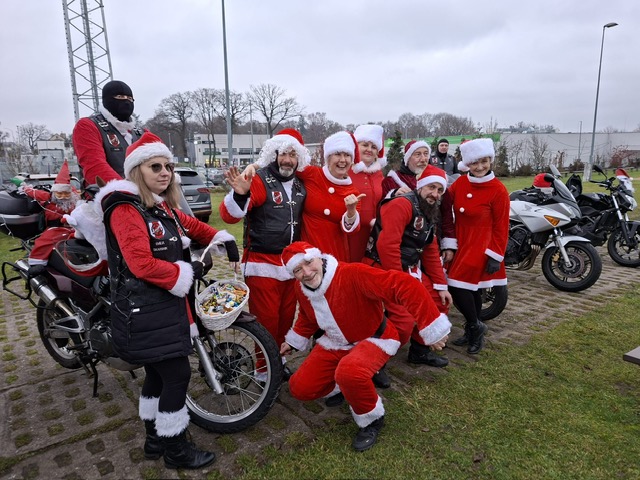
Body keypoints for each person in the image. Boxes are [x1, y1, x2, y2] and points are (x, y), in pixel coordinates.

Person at [96, 132, 239, 470]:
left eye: (168, 167)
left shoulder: (159, 207)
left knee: (158, 376)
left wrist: (223, 238)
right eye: (155, 166)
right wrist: (189, 270)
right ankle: (176, 449)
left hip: (158, 307)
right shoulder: (125, 208)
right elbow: (140, 264)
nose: (165, 173)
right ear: (137, 171)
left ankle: (154, 441)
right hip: (144, 310)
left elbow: (193, 227)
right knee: (176, 375)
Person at [279, 241, 450, 452]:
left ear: (319, 257)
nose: (306, 272)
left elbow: (404, 284)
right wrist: (294, 341)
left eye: (308, 262)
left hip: (374, 338)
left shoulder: (352, 274)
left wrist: (431, 325)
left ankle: (371, 419)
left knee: (350, 372)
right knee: (299, 388)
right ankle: (345, 387)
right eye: (297, 270)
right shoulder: (301, 288)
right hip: (335, 342)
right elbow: (307, 317)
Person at [219, 128, 309, 379]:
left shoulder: (300, 183)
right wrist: (240, 194)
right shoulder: (259, 179)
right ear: (274, 154)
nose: (287, 160)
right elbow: (229, 216)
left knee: (285, 319)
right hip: (262, 263)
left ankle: (278, 361)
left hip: (290, 265)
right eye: (283, 154)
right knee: (266, 321)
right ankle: (263, 370)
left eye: (293, 154)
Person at [364, 165, 452, 370]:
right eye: (431, 187)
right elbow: (387, 247)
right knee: (403, 321)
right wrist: (401, 284)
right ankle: (375, 362)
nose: (435, 194)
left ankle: (420, 351)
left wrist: (441, 285)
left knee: (439, 302)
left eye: (440, 190)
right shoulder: (402, 205)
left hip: (406, 269)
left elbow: (430, 248)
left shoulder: (429, 208)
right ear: (420, 186)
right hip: (383, 269)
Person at [243, 131, 363, 262]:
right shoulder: (312, 174)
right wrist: (254, 166)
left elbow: (350, 231)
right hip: (306, 254)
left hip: (334, 255)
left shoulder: (354, 193)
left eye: (347, 155)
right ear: (328, 157)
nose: (343, 160)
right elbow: (286, 164)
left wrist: (351, 212)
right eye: (338, 154)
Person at [443, 138, 510, 354]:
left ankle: (475, 325)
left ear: (490, 160)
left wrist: (495, 255)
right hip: (461, 242)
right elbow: (444, 204)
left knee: (457, 285)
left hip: (481, 246)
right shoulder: (460, 183)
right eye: (474, 162)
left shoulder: (498, 190)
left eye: (484, 161)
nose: (480, 167)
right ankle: (474, 326)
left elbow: (502, 226)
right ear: (467, 164)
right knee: (469, 289)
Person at [382, 140, 456, 260]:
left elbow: (446, 214)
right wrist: (393, 195)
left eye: (426, 154)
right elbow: (381, 212)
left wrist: (448, 244)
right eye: (418, 154)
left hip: (431, 243)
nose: (423, 159)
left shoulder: (438, 180)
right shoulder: (392, 181)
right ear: (407, 158)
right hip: (404, 247)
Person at [73, 80, 143, 186]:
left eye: (129, 98)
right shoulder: (88, 126)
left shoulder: (141, 133)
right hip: (108, 193)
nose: (126, 101)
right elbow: (95, 167)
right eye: (120, 97)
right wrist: (129, 190)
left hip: (145, 194)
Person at [20, 160, 79, 275]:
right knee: (45, 241)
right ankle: (37, 262)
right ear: (55, 192)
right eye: (59, 194)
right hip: (55, 228)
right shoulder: (48, 198)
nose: (63, 196)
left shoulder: (75, 199)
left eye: (66, 194)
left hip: (74, 227)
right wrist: (25, 188)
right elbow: (34, 193)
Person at [347, 124, 386, 262]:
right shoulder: (346, 171)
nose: (369, 149)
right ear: (356, 147)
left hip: (374, 234)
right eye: (365, 145)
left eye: (374, 147)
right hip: (351, 234)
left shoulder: (379, 174)